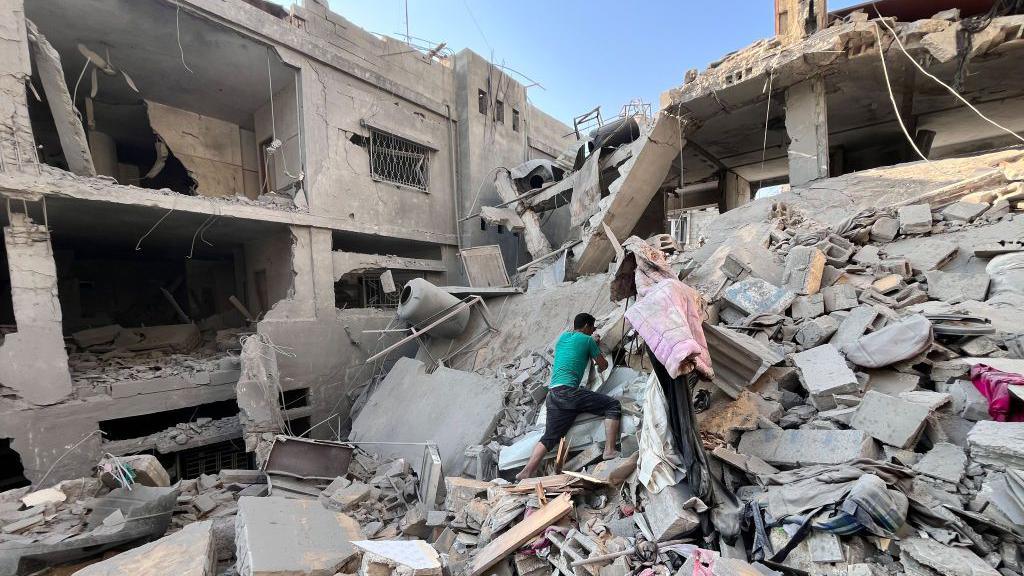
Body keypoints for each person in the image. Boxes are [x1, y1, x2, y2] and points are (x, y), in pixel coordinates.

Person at [516, 312, 621, 480]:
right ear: (587, 326)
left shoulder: (563, 338)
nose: (593, 330)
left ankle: (527, 470)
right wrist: (595, 345)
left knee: (550, 437)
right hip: (569, 392)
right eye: (592, 327)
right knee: (612, 405)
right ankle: (609, 450)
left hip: (553, 394)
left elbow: (573, 349)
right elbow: (603, 365)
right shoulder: (588, 340)